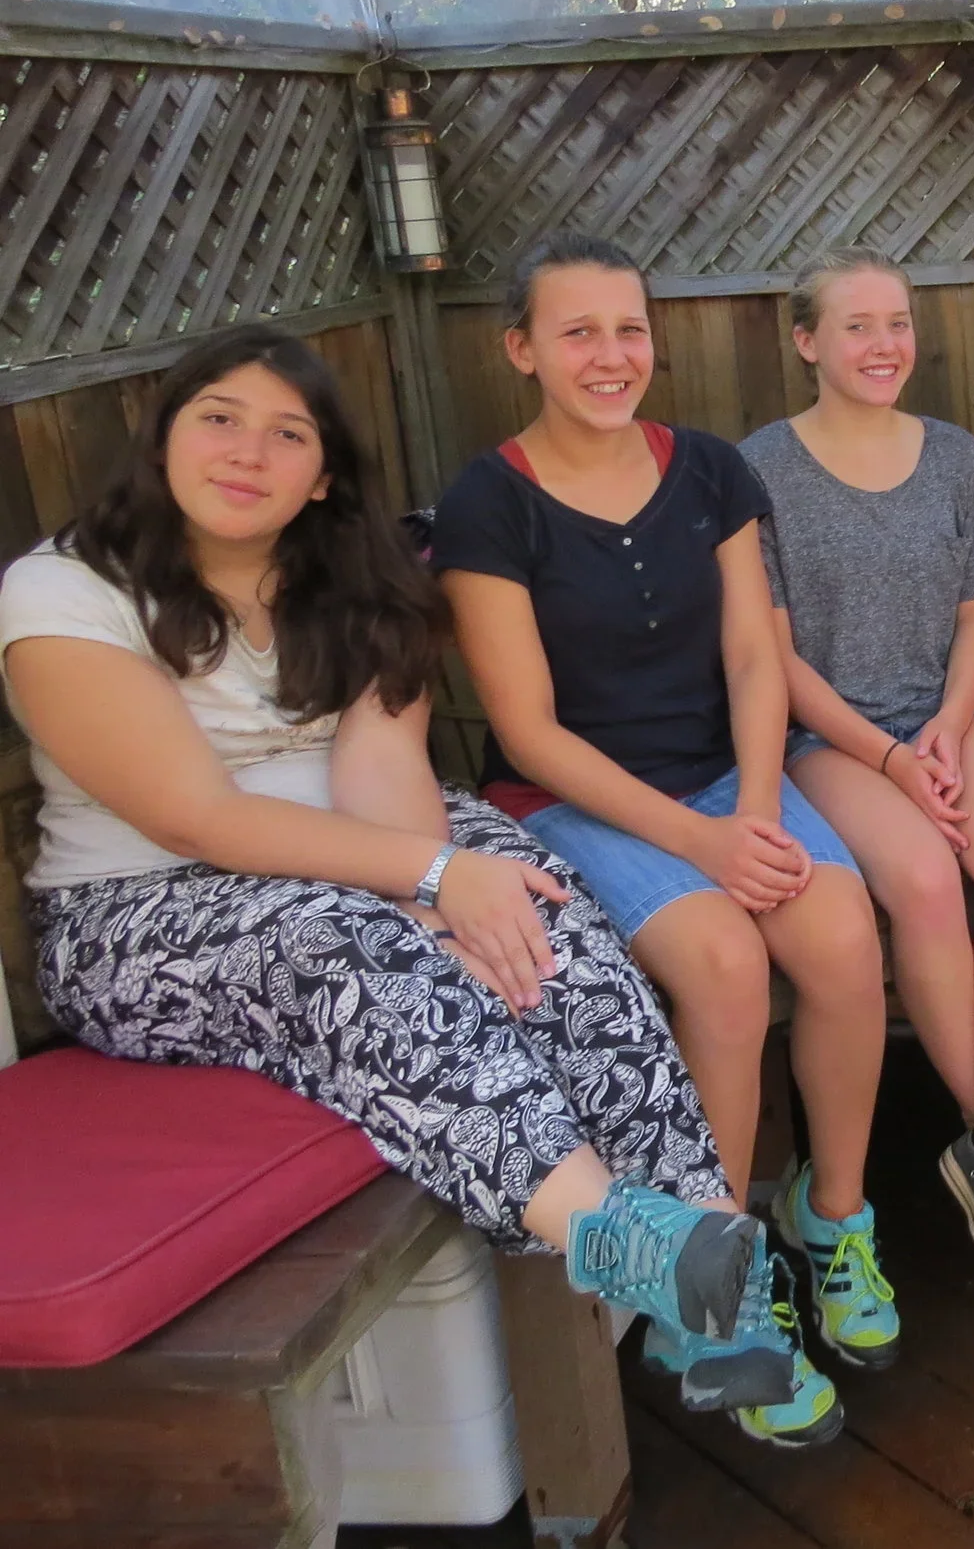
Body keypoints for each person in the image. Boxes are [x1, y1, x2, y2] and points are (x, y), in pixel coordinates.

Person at [1, 326, 825, 1441]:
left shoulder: (357, 583)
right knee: (367, 961)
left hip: (369, 858)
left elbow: (384, 764)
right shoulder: (62, 591)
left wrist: (450, 892)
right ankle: (621, 1240)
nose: (249, 452)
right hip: (145, 911)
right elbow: (196, 816)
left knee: (552, 925)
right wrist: (430, 881)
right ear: (163, 441)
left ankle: (710, 1268)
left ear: (323, 474)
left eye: (286, 434)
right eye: (219, 420)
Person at [433, 235, 883, 1441]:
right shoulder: (491, 500)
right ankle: (711, 1294)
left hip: (728, 779)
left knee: (840, 939)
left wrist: (748, 808)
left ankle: (833, 1220)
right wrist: (701, 841)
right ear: (522, 349)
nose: (609, 355)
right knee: (727, 968)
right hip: (580, 801)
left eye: (628, 330)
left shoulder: (714, 472)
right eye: (576, 332)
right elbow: (526, 730)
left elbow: (752, 655)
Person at [741, 249, 974, 1283]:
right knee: (926, 881)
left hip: (947, 711)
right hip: (829, 734)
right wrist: (885, 753)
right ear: (807, 344)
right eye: (856, 326)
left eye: (896, 324)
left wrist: (952, 722)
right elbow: (773, 657)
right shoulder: (761, 469)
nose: (884, 345)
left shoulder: (954, 454)